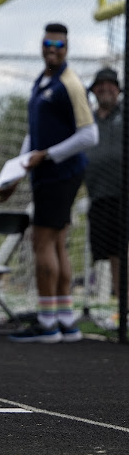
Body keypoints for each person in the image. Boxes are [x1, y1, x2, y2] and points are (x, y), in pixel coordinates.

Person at [0, 23, 98, 343]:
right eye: (48, 43)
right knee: (55, 243)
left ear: (67, 49)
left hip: (61, 174)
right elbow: (34, 133)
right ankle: (65, 319)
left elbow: (89, 135)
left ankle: (46, 322)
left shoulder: (70, 83)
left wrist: (47, 156)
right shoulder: (43, 82)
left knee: (41, 242)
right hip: (46, 173)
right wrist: (20, 168)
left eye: (60, 44)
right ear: (41, 45)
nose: (53, 48)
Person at [85, 67, 127, 299]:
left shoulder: (125, 113)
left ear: (118, 89)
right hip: (99, 195)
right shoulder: (87, 120)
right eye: (100, 84)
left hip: (125, 194)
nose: (105, 88)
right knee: (112, 253)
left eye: (110, 84)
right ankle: (124, 311)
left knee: (125, 251)